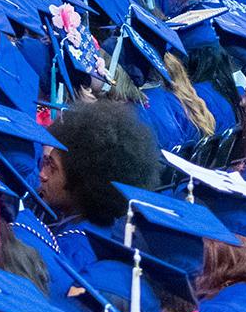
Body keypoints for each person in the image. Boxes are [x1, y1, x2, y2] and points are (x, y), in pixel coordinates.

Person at [40, 100, 164, 269]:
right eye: (45, 163)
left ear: (81, 180)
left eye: (52, 168)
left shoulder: (71, 252)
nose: (42, 175)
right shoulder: (101, 230)